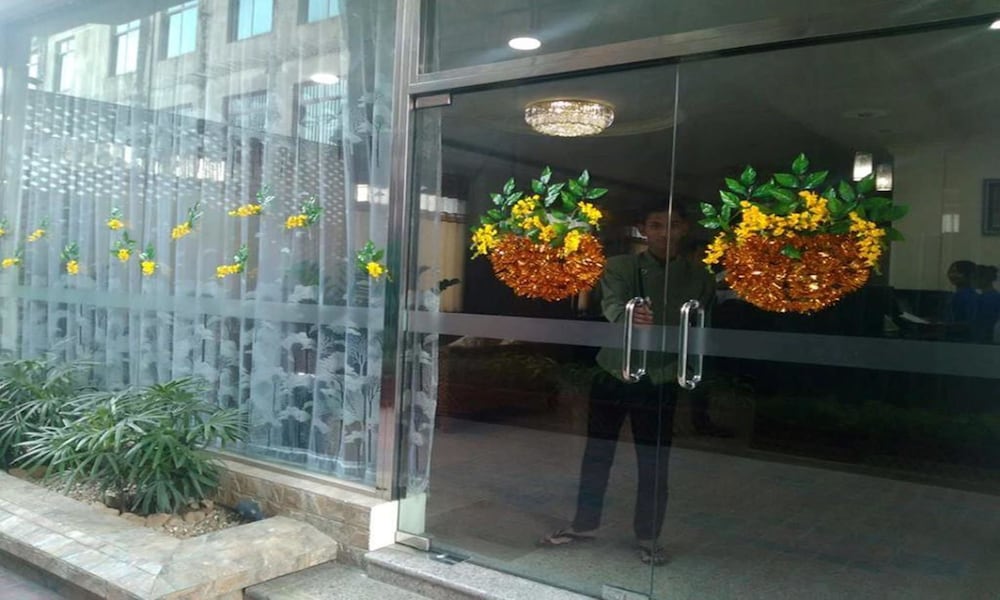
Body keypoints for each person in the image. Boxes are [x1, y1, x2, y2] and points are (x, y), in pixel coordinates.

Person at [540, 202, 715, 565]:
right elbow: (613, 305)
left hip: (661, 376)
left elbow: (701, 326)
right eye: (656, 225)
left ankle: (649, 536)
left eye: (673, 225)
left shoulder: (699, 276)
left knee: (654, 462)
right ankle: (584, 525)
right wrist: (629, 316)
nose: (665, 233)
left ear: (685, 229)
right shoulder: (621, 266)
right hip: (614, 371)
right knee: (597, 454)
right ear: (643, 230)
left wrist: (690, 369)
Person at [946, 260, 978, 340]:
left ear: (969, 275)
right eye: (951, 271)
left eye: (957, 272)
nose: (952, 275)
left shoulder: (966, 295)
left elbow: (967, 322)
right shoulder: (960, 294)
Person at [973, 264, 999, 343]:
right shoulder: (996, 296)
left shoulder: (983, 299)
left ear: (984, 279)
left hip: (983, 339)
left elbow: (982, 323)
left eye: (975, 278)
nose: (972, 281)